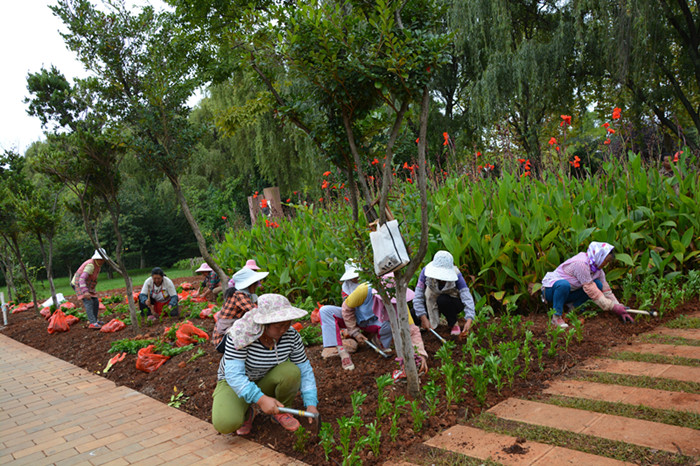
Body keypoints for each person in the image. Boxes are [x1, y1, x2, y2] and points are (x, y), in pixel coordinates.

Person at [212, 293, 318, 435]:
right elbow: (234, 376)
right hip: (234, 383)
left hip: (265, 378)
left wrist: (311, 403)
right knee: (226, 423)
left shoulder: (291, 336)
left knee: (291, 371)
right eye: (279, 325)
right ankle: (249, 410)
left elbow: (304, 369)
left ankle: (280, 410)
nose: (284, 329)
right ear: (263, 324)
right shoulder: (241, 335)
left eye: (288, 323)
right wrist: (260, 399)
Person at [542, 241, 632, 327]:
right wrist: (612, 307)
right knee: (564, 285)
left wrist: (618, 306)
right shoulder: (581, 264)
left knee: (598, 284)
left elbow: (606, 290)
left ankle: (573, 310)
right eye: (606, 261)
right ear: (599, 256)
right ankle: (556, 317)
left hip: (569, 293)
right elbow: (590, 288)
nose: (606, 264)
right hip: (552, 291)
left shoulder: (598, 270)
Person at [413, 250, 476, 337]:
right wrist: (423, 317)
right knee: (413, 313)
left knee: (442, 300)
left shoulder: (457, 275)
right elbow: (418, 296)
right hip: (431, 301)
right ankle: (427, 326)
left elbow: (466, 297)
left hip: (451, 302)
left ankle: (453, 323)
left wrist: (469, 319)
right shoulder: (425, 273)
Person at [212, 266, 269, 351]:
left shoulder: (243, 294)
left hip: (225, 335)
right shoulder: (239, 296)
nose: (257, 285)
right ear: (250, 284)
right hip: (223, 341)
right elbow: (257, 313)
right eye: (256, 282)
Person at [71, 248, 108, 329]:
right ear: (97, 259)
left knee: (95, 301)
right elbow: (82, 279)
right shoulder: (90, 265)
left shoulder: (97, 265)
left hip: (86, 284)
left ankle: (94, 320)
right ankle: (92, 323)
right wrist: (85, 292)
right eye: (101, 259)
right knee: (89, 302)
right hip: (79, 284)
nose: (103, 261)